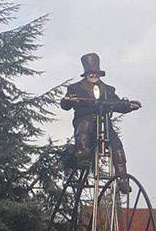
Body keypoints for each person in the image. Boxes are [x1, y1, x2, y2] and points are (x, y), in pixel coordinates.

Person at [60, 53, 141, 195]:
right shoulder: (75, 88)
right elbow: (65, 103)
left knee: (116, 145)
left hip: (104, 124)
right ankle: (83, 153)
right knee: (85, 126)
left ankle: (122, 179)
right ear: (86, 74)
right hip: (85, 119)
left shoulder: (108, 90)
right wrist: (69, 100)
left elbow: (117, 104)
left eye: (95, 73)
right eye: (90, 73)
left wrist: (128, 105)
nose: (93, 75)